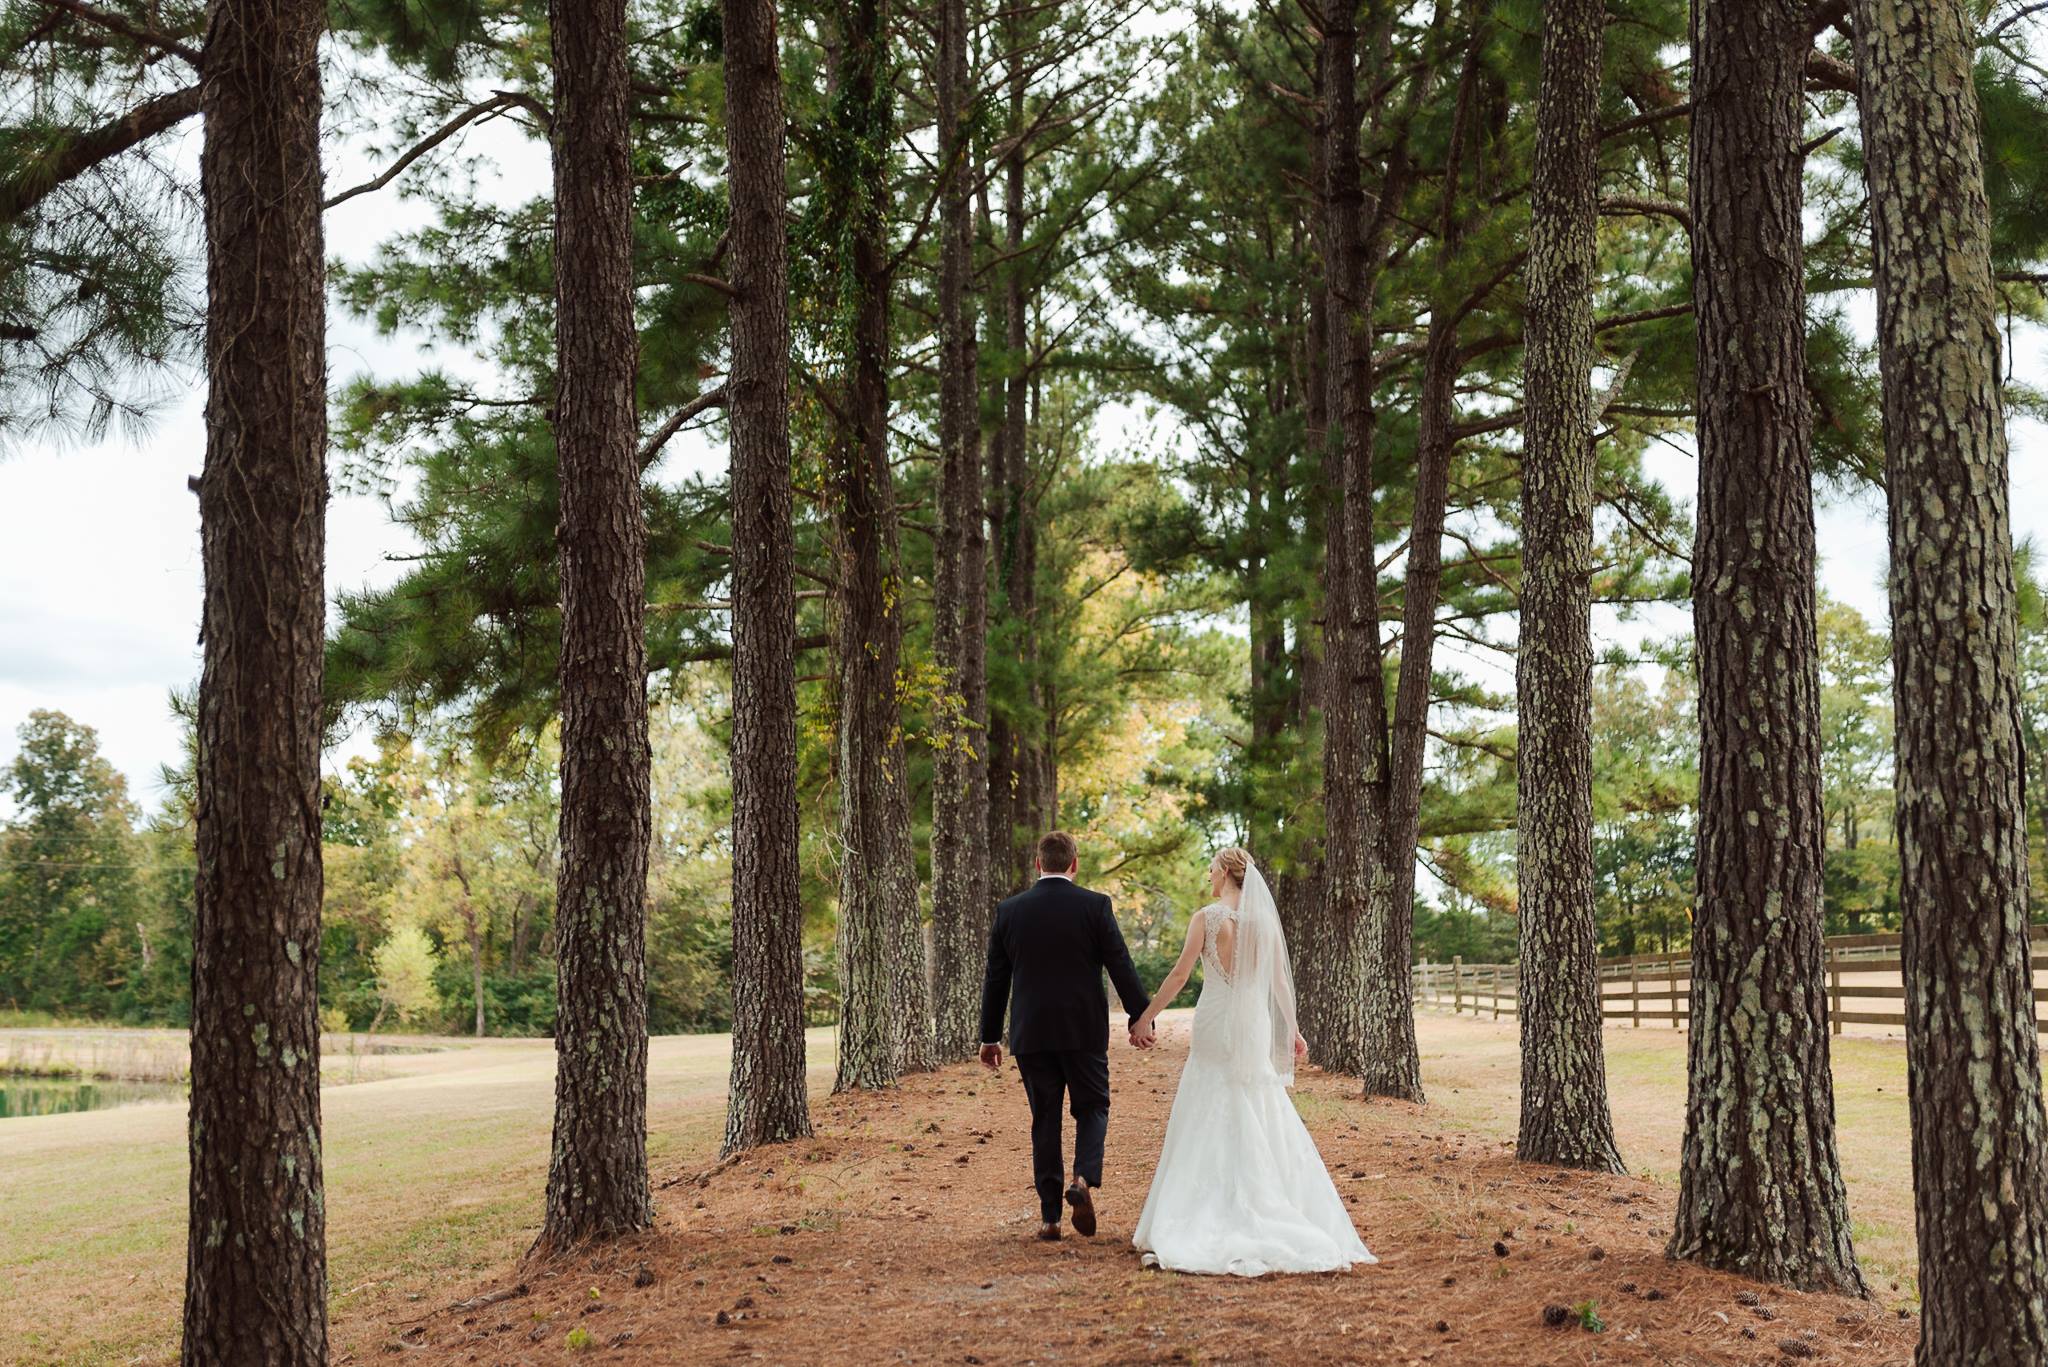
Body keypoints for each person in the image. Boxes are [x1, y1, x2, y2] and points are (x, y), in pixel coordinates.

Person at [1129, 847, 1376, 1275]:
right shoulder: (1263, 923)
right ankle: (1269, 1194)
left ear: (1225, 872)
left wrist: (1146, 1017)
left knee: (1210, 1096)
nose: (1208, 877)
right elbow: (1279, 981)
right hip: (1252, 1022)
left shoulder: (1207, 918)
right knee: (1258, 1101)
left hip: (1215, 1020)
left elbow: (1180, 975)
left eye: (1210, 870)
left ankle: (1205, 1206)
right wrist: (1293, 1029)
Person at [978, 830, 1153, 1242]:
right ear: (1074, 864)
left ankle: (1050, 1218)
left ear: (1038, 864)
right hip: (1083, 1031)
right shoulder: (1095, 906)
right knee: (1093, 1107)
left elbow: (995, 979)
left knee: (1045, 1120)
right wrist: (1138, 1016)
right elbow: (1120, 963)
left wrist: (989, 1037)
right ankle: (1083, 1179)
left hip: (1032, 1033)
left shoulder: (1010, 911)